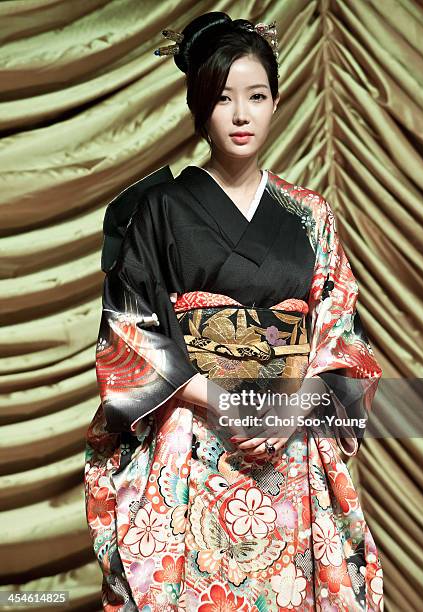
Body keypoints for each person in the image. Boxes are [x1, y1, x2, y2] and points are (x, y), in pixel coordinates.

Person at [84, 11, 384, 611]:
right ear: (201, 107)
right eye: (223, 99)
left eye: (257, 96)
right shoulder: (160, 209)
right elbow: (127, 336)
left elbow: (339, 336)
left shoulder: (310, 214)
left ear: (276, 102)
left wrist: (289, 409)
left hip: (289, 448)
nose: (242, 115)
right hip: (194, 440)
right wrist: (221, 399)